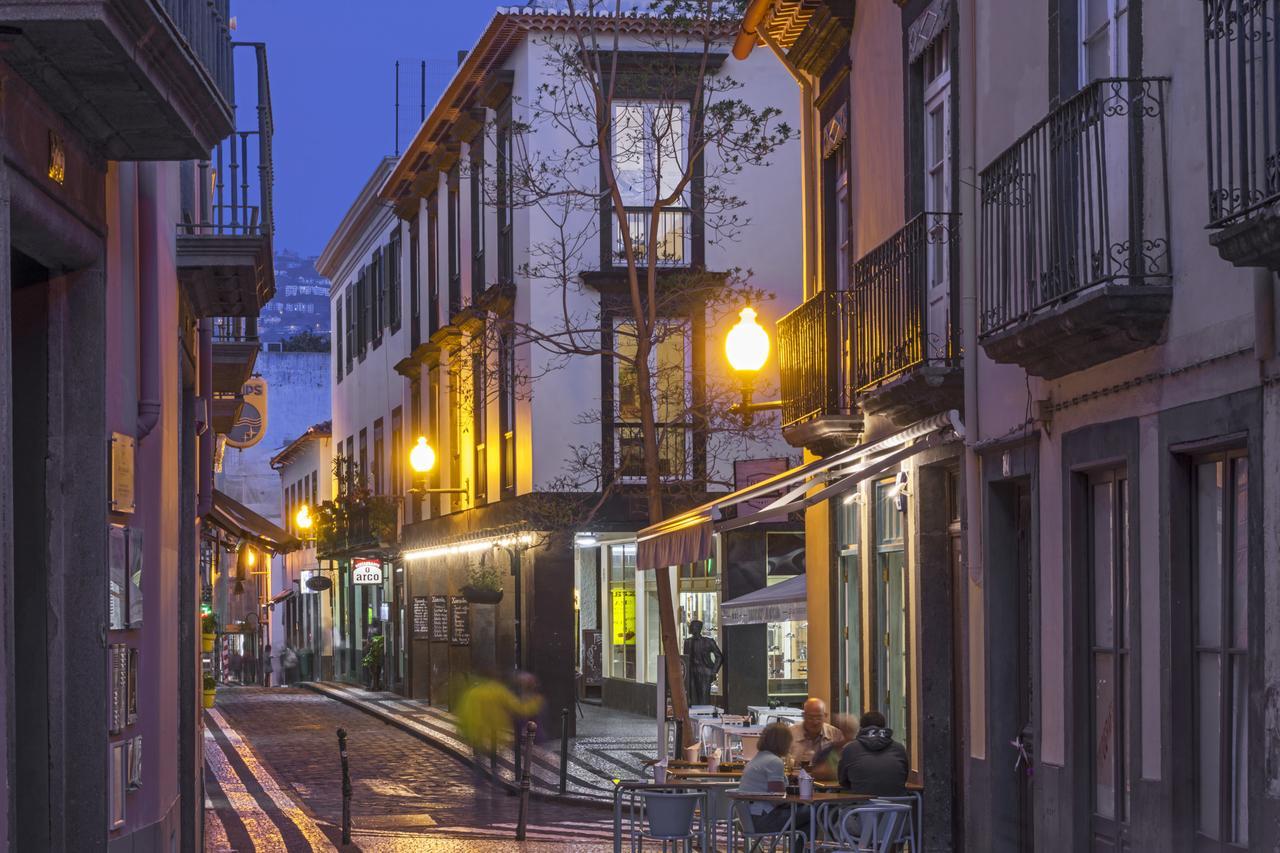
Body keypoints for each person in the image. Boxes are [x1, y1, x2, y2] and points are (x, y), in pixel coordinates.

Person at [737, 722, 810, 853]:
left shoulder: (757, 759)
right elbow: (777, 799)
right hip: (765, 820)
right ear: (783, 742)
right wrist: (797, 797)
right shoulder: (774, 762)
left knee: (808, 822)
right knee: (816, 812)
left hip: (748, 819)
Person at [838, 710, 909, 796]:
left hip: (861, 806)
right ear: (884, 727)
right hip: (897, 805)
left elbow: (842, 781)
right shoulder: (899, 748)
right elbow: (904, 777)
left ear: (861, 728)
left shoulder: (850, 749)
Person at [682, 620, 723, 707]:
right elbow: (686, 658)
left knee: (704, 699)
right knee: (692, 699)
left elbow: (719, 657)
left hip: (705, 672)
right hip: (692, 672)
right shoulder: (687, 642)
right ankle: (694, 718)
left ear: (698, 628)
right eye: (691, 626)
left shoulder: (708, 641)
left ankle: (704, 717)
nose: (690, 628)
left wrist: (713, 671)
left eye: (692, 626)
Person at [789, 697, 841, 764]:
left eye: (819, 717)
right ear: (803, 716)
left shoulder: (835, 734)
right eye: (810, 718)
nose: (815, 722)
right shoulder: (790, 735)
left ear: (825, 716)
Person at [809, 713, 857, 781]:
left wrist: (830, 773)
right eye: (844, 730)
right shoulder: (828, 750)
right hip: (830, 789)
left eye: (849, 730)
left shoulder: (858, 751)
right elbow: (815, 772)